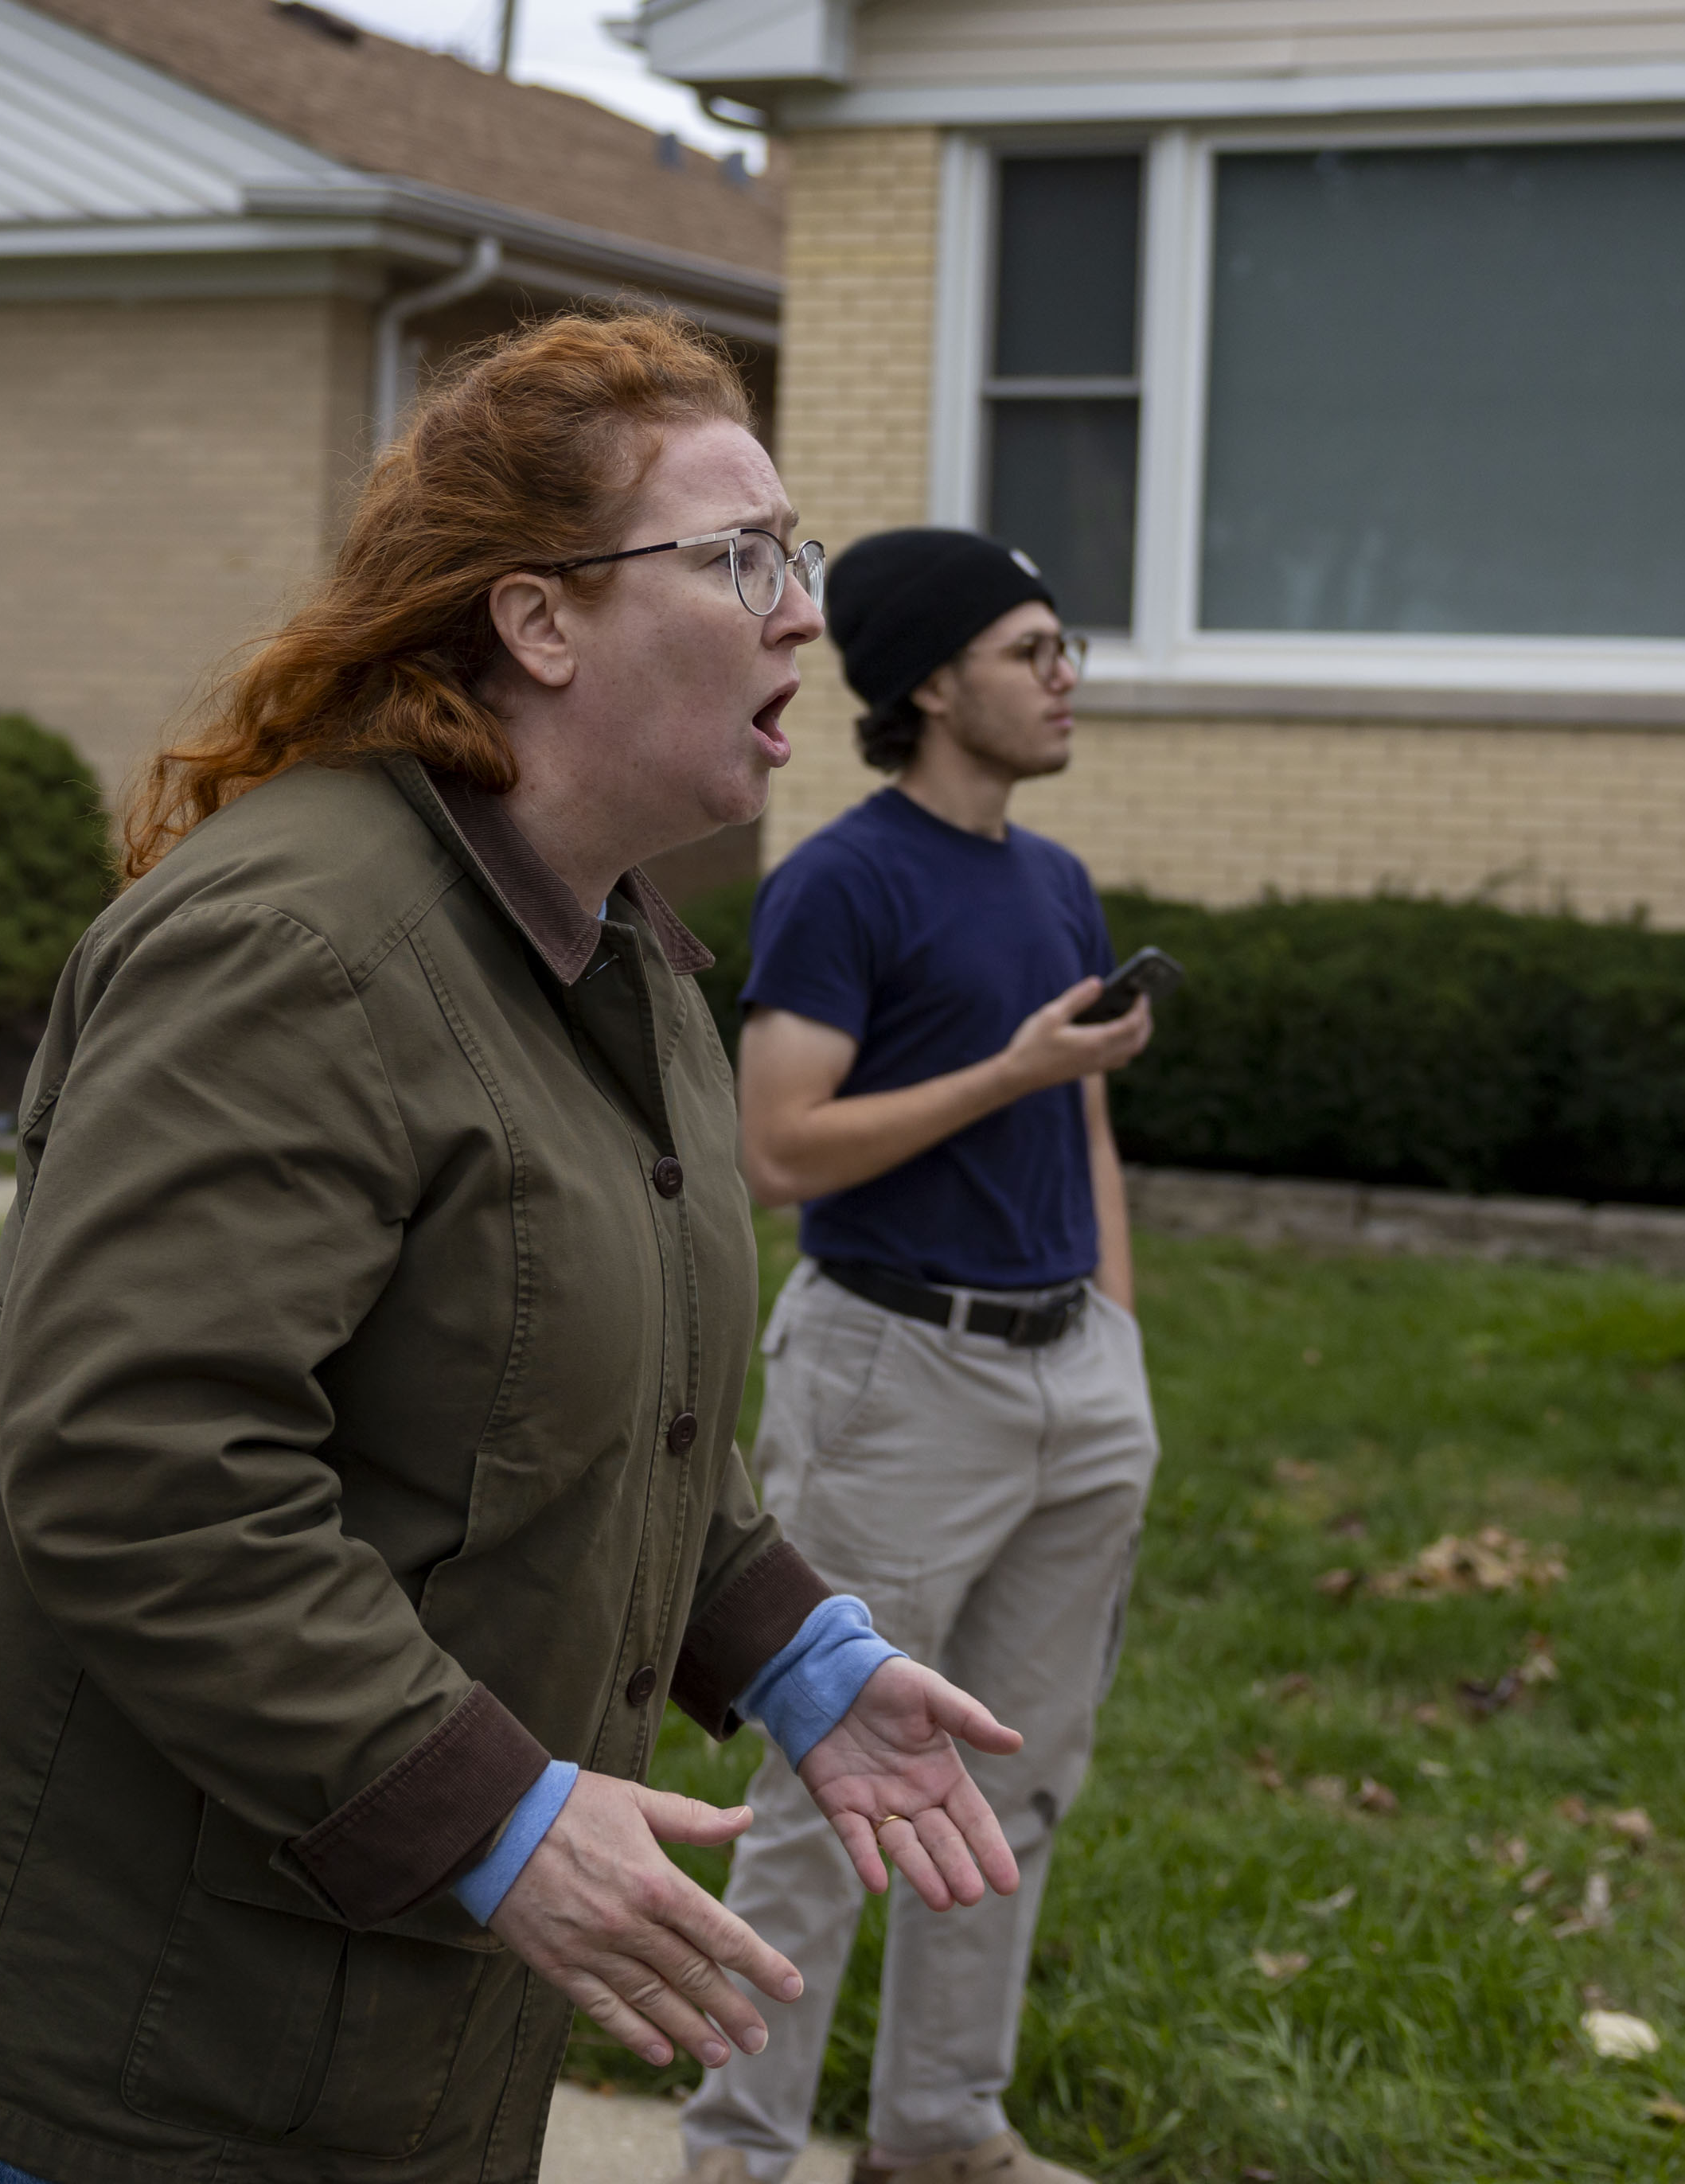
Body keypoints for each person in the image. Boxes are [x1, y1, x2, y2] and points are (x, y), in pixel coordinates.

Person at [0, 313, 1032, 2184]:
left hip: (354, 2015)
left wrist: (793, 1652)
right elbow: (139, 1466)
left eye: (801, 554)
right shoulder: (301, 945)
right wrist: (499, 1813)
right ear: (538, 620)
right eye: (743, 557)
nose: (799, 615)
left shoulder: (611, 950)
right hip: (109, 2019)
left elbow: (595, 1403)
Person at [677, 529, 1156, 2184]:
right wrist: (1008, 1070)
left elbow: (1080, 1103)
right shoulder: (842, 879)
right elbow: (778, 1145)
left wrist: (1117, 1331)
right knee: (833, 1787)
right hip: (895, 1378)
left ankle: (940, 2127)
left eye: (1062, 642)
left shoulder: (1052, 877)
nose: (1064, 671)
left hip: (1068, 1377)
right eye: (1031, 647)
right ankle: (737, 2149)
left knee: (1016, 1783)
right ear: (934, 682)